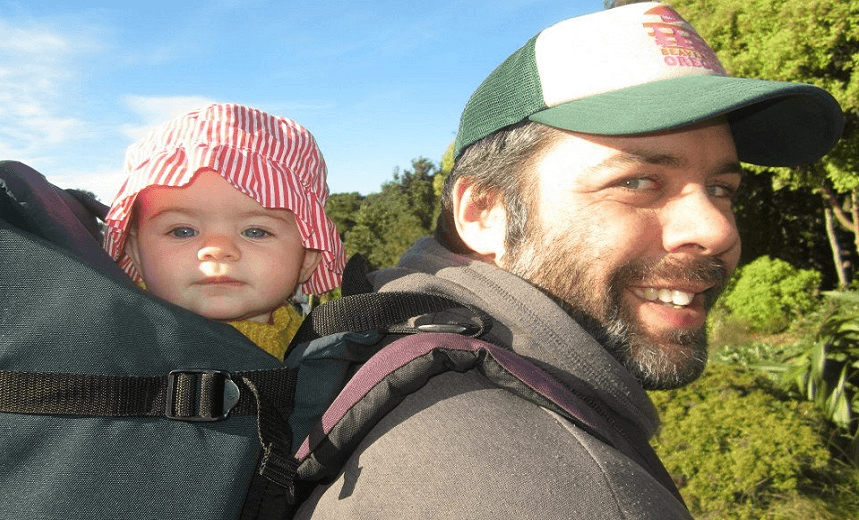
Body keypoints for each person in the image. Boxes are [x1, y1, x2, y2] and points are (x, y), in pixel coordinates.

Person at [294, 2, 844, 518]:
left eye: (723, 189)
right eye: (637, 181)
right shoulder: (562, 493)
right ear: (484, 211)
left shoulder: (392, 335)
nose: (717, 230)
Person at [103, 103, 345, 361]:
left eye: (255, 231)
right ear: (137, 253)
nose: (217, 250)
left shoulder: (322, 350)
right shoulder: (114, 344)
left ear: (307, 256)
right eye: (183, 231)